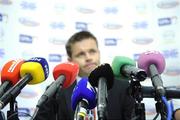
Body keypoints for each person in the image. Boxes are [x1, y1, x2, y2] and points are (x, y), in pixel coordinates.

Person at [34, 30, 135, 120]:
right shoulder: (56, 90)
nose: (88, 58)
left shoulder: (123, 86)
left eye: (92, 51)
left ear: (99, 53)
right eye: (81, 54)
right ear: (70, 61)